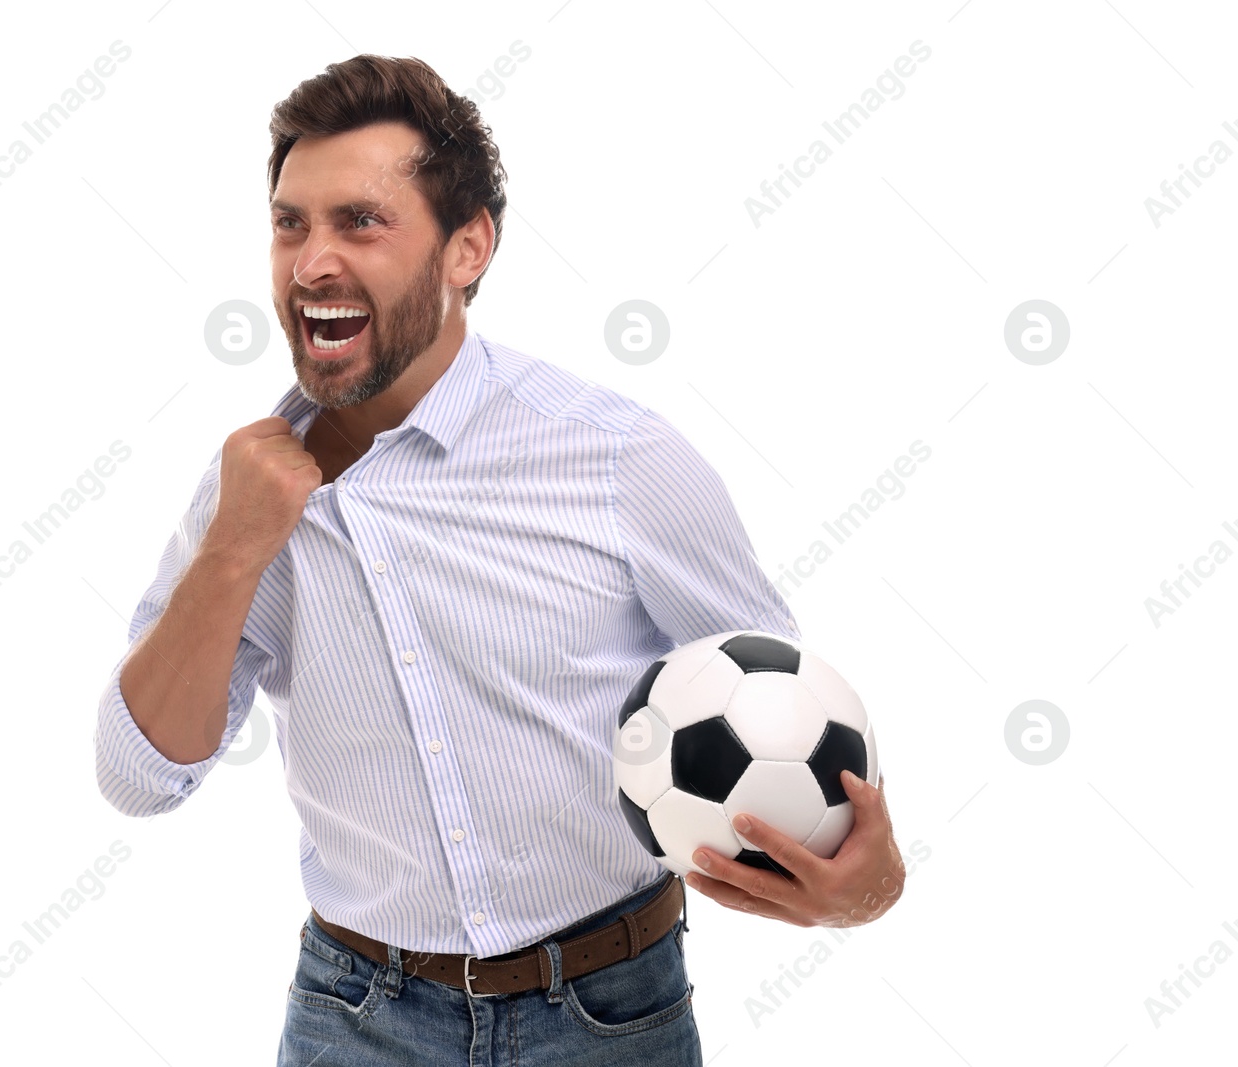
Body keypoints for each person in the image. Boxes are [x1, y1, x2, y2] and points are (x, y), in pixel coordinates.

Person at [94, 53, 905, 1067]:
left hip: (612, 1012)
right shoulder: (244, 493)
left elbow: (776, 708)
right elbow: (137, 778)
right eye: (289, 223)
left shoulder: (618, 457)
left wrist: (862, 879)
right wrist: (234, 549)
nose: (308, 264)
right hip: (354, 1018)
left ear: (466, 246)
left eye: (359, 221)